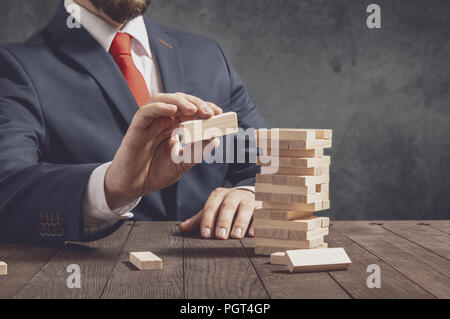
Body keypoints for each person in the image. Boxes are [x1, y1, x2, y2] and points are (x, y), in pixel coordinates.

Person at [0, 0, 265, 242]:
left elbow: (272, 162)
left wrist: (253, 194)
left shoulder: (208, 55)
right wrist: (110, 188)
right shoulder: (15, 67)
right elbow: (7, 189)